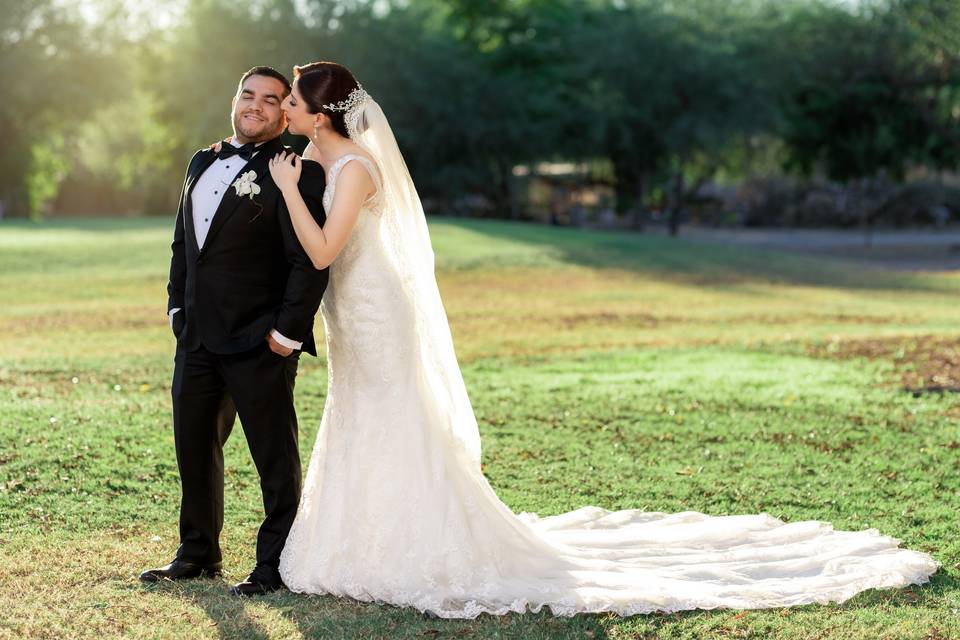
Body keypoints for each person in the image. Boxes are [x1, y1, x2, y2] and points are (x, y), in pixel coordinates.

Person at [270, 61, 938, 618]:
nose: (287, 109)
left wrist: (288, 192)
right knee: (357, 413)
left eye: (294, 101)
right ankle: (355, 538)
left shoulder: (354, 168)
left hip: (375, 308)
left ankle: (407, 543)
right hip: (350, 313)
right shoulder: (316, 157)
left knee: (390, 418)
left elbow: (326, 248)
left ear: (321, 113)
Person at [140, 66, 329, 597]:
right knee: (194, 448)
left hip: (259, 340)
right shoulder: (201, 160)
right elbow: (184, 244)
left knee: (273, 457)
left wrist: (287, 334)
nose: (256, 106)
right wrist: (177, 310)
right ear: (235, 99)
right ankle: (198, 554)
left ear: (284, 113)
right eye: (248, 95)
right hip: (196, 337)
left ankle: (275, 564)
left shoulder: (298, 173)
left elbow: (308, 263)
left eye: (272, 100)